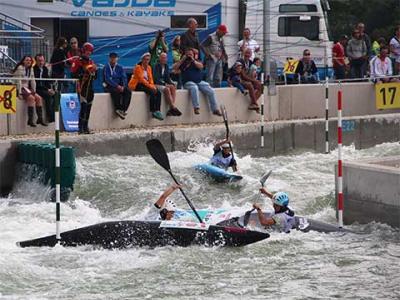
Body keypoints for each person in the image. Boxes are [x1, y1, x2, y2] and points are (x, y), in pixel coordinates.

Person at [173, 48, 222, 116]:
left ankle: (215, 109)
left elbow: (201, 66)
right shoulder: (182, 62)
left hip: (199, 81)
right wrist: (182, 60)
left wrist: (193, 60)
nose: (189, 56)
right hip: (188, 82)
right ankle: (196, 107)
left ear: (193, 55)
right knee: (194, 88)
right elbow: (174, 68)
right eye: (188, 54)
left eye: (191, 54)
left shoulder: (196, 61)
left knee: (211, 91)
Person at [13, 56, 47, 127]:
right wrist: (19, 93)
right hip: (19, 87)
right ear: (23, 61)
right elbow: (18, 81)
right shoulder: (20, 68)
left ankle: (40, 119)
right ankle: (30, 120)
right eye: (27, 60)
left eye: (30, 60)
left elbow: (33, 80)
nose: (29, 62)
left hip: (27, 88)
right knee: (31, 98)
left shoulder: (30, 69)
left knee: (39, 98)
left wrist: (34, 90)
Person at [71, 42, 97, 134]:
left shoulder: (91, 62)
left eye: (90, 51)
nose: (88, 53)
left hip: (90, 87)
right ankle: (80, 128)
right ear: (83, 51)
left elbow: (95, 76)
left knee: (89, 107)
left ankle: (86, 127)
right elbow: (73, 74)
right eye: (87, 51)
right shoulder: (78, 61)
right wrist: (83, 71)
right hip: (81, 86)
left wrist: (94, 71)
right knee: (83, 107)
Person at [128, 52, 164, 120]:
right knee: (152, 92)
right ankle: (153, 110)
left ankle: (157, 110)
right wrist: (151, 87)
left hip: (147, 84)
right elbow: (141, 79)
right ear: (142, 60)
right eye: (145, 59)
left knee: (158, 92)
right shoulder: (138, 67)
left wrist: (152, 86)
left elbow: (150, 79)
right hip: (137, 84)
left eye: (148, 59)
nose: (146, 61)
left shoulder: (149, 68)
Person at [103, 52, 132, 120]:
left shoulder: (120, 67)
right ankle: (118, 108)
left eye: (114, 58)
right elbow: (107, 79)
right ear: (109, 59)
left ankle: (123, 109)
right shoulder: (106, 67)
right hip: (109, 86)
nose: (113, 59)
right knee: (115, 92)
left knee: (128, 91)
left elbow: (124, 78)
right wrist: (117, 86)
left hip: (119, 85)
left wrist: (123, 86)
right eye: (111, 58)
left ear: (117, 59)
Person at [153, 52, 182, 117]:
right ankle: (173, 107)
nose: (164, 59)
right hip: (156, 83)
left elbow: (167, 78)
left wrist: (171, 84)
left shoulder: (166, 66)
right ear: (159, 58)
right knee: (166, 89)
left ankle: (171, 108)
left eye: (165, 58)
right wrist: (164, 84)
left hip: (163, 83)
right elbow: (156, 78)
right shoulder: (156, 66)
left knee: (172, 87)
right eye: (163, 58)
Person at [33, 53, 55, 123]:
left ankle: (54, 113)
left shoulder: (45, 69)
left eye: (42, 60)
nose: (41, 62)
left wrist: (50, 89)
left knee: (56, 95)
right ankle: (50, 117)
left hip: (45, 88)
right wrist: (47, 89)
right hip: (37, 88)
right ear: (36, 61)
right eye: (39, 61)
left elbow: (47, 81)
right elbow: (37, 83)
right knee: (48, 96)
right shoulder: (34, 69)